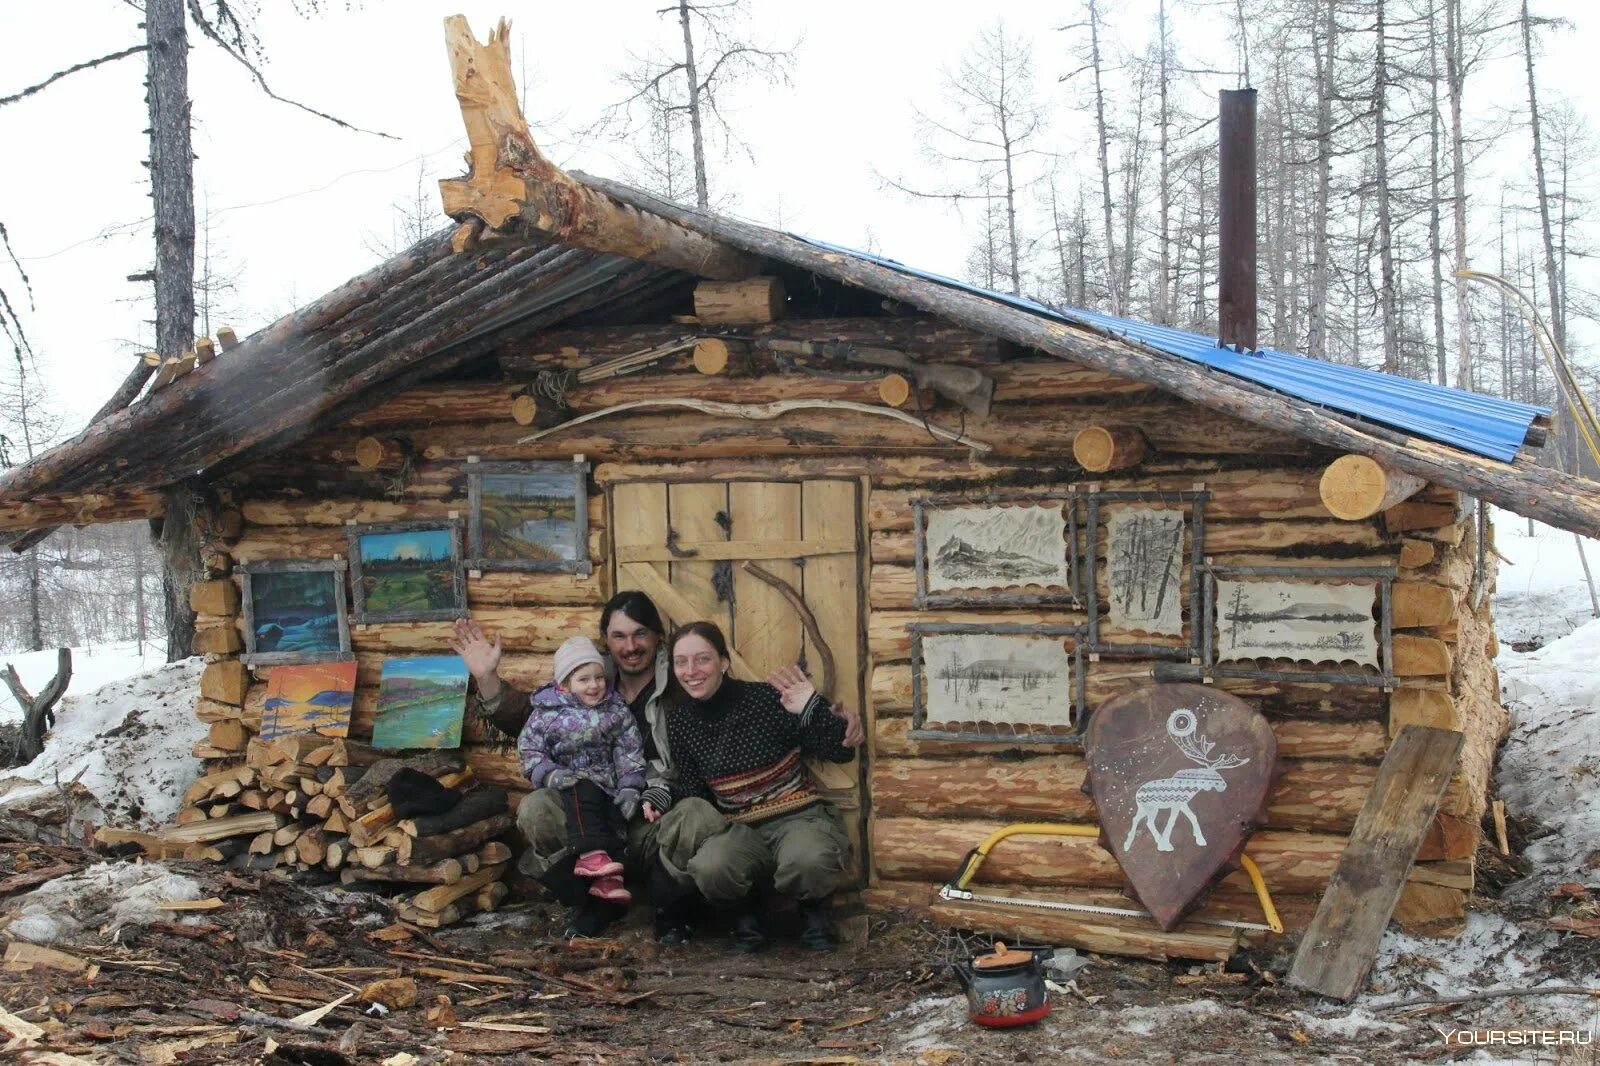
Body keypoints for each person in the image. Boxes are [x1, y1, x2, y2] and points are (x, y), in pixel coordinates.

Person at [452, 592, 724, 939]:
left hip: (651, 816)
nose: (631, 646)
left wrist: (660, 790)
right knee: (537, 808)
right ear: (606, 641)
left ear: (658, 637)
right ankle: (596, 903)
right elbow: (533, 717)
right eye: (619, 636)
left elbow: (704, 752)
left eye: (640, 633)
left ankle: (670, 906)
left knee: (698, 814)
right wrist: (487, 678)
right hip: (592, 815)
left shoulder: (679, 686)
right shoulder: (587, 675)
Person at [648, 621, 865, 953]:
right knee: (711, 867)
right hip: (738, 829)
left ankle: (815, 915)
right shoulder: (681, 721)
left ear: (723, 662)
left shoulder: (766, 699)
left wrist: (812, 707)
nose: (691, 670)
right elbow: (695, 791)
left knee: (809, 859)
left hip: (798, 819)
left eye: (702, 659)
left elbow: (840, 750)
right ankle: (749, 918)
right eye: (681, 662)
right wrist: (661, 796)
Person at [516, 635, 645, 913]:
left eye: (599, 677)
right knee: (583, 795)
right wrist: (549, 774)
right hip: (567, 786)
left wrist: (630, 787)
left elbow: (628, 751)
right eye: (584, 679)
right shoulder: (546, 713)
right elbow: (529, 748)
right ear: (565, 684)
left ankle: (607, 882)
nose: (594, 685)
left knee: (613, 823)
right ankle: (588, 857)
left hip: (606, 788)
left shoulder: (615, 711)